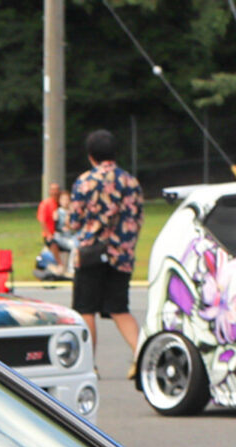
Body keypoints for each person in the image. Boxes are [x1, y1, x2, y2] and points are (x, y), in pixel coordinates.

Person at [68, 128, 144, 379]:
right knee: (119, 308)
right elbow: (138, 218)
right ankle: (141, 356)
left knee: (86, 309)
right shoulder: (131, 182)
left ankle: (89, 364)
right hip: (121, 255)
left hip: (91, 253)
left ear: (91, 155)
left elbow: (74, 221)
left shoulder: (85, 181)